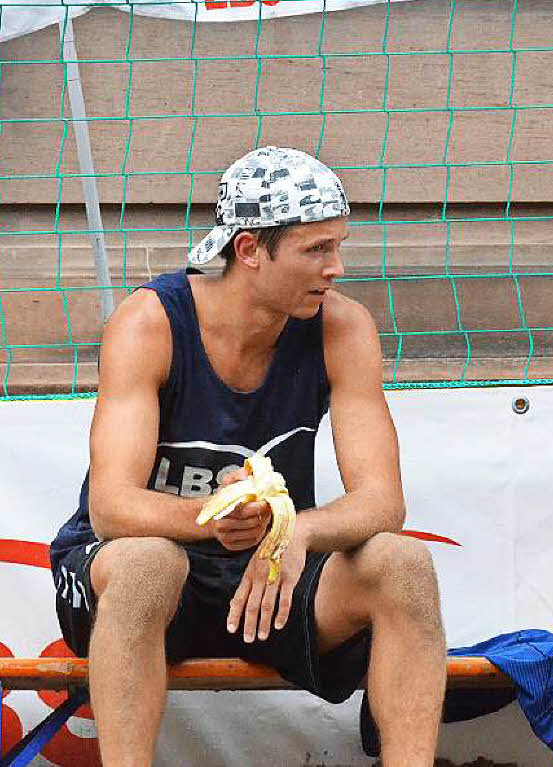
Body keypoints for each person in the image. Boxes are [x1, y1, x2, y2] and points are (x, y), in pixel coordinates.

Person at [49, 146, 446, 766]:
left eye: (339, 246)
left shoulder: (343, 327)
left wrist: (302, 530)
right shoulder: (148, 322)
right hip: (144, 570)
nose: (336, 267)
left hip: (267, 574)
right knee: (146, 564)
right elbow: (111, 509)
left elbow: (382, 501)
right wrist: (218, 515)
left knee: (402, 562)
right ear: (250, 250)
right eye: (316, 250)